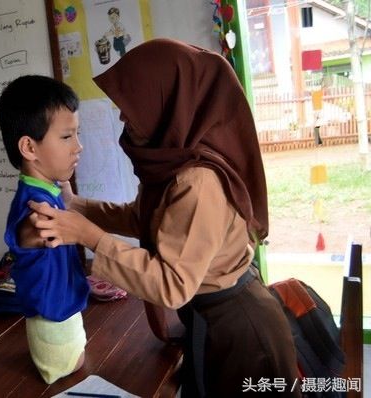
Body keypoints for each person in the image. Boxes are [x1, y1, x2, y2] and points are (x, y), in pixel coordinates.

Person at [28, 39, 301, 397]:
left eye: (132, 107)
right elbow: (146, 220)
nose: (124, 118)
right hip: (213, 318)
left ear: (168, 103)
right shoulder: (172, 164)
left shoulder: (197, 181)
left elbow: (172, 284)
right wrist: (77, 206)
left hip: (241, 334)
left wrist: (89, 237)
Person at [0, 75, 90, 384]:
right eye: (66, 137)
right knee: (69, 376)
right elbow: (30, 232)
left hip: (63, 314)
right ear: (29, 147)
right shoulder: (36, 207)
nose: (78, 146)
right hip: (53, 323)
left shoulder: (47, 191)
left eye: (77, 134)